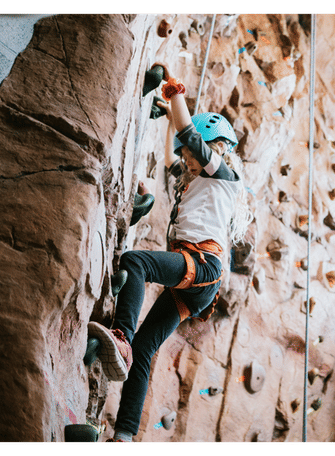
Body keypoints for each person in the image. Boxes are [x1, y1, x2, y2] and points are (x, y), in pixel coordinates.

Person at [87, 63, 252, 443]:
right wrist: (166, 122)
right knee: (148, 349)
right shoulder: (197, 180)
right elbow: (172, 158)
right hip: (197, 283)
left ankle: (121, 337)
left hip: (203, 265)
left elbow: (190, 137)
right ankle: (125, 436)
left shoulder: (222, 173)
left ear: (215, 148)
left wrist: (176, 94)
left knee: (136, 262)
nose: (187, 162)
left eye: (193, 156)